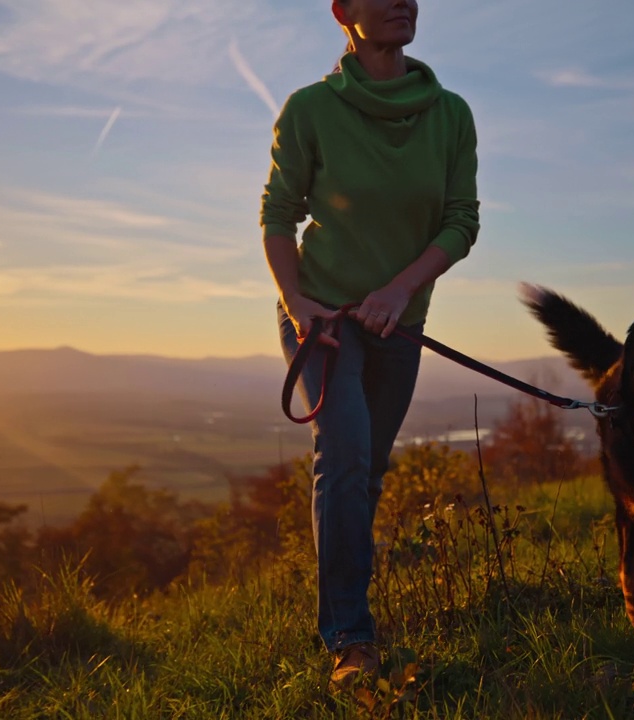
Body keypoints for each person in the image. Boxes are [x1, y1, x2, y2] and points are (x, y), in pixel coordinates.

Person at [259, 0, 480, 690]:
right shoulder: (308, 110)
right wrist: (300, 306)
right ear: (343, 13)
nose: (401, 3)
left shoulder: (450, 114)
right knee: (345, 459)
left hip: (398, 321)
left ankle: (354, 595)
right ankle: (351, 639)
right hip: (321, 321)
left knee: (371, 470)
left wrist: (399, 291)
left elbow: (460, 221)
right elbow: (276, 216)